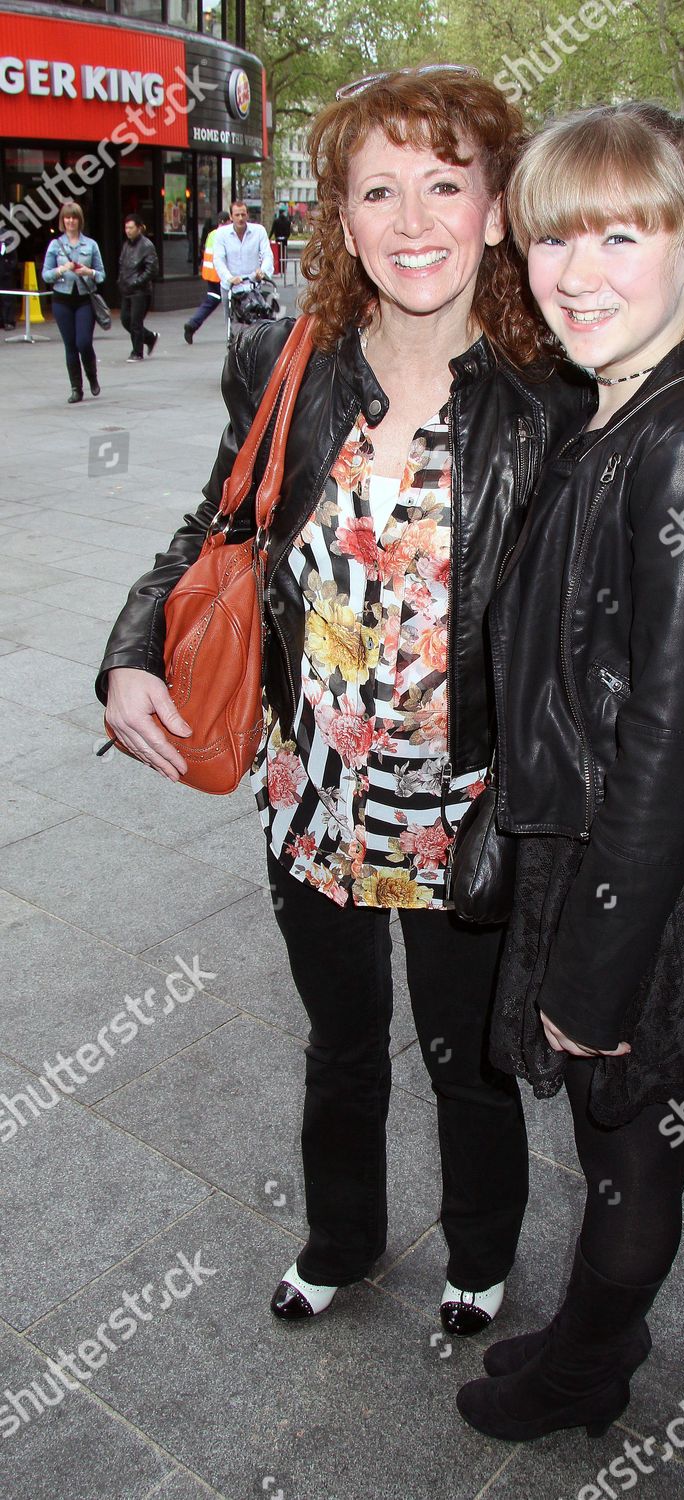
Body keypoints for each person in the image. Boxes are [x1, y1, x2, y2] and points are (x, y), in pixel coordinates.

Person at [96, 68, 590, 1339]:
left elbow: (630, 581)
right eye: (379, 189)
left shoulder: (553, 392)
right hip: (311, 792)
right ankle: (341, 1239)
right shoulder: (283, 356)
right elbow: (217, 523)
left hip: (466, 808)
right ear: (340, 217)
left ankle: (479, 1256)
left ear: (495, 210)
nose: (413, 217)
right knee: (340, 1050)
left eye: (444, 183)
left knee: (466, 1063)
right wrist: (132, 645)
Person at [455, 99, 684, 1446]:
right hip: (609, 850)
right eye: (552, 236)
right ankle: (593, 1334)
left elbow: (661, 740)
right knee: (619, 1144)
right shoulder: (629, 406)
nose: (576, 271)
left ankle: (588, 1370)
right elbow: (660, 647)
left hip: (639, 875)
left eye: (620, 233)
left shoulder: (683, 435)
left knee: (623, 1156)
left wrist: (591, 971)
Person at [41, 201, 105, 403]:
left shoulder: (91, 245)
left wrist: (89, 272)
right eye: (67, 217)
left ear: (79, 220)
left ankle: (92, 377)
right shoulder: (55, 245)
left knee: (83, 342)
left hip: (85, 299)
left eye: (74, 217)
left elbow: (102, 275)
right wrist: (62, 269)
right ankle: (76, 388)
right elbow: (46, 275)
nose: (70, 221)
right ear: (62, 221)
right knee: (70, 345)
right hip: (62, 300)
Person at [213, 200, 274, 305]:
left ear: (247, 215)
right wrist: (229, 278)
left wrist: (263, 272)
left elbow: (267, 255)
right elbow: (218, 259)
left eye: (243, 214)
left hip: (253, 287)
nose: (240, 218)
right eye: (237, 215)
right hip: (230, 288)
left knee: (258, 318)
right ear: (231, 217)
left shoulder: (259, 231)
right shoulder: (221, 234)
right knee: (231, 320)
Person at [184, 211, 231, 343]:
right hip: (221, 275)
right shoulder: (226, 235)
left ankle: (193, 324)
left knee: (212, 300)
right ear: (227, 221)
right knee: (231, 303)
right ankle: (233, 334)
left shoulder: (212, 234)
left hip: (210, 273)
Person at [118, 214, 159, 362]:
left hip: (140, 290)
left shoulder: (146, 245)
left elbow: (152, 269)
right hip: (127, 289)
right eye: (126, 227)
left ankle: (137, 351)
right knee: (125, 319)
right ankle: (149, 337)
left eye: (131, 227)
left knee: (135, 321)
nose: (128, 231)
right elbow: (123, 265)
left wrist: (137, 282)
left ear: (139, 228)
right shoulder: (127, 245)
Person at [0, 236, 18, 329]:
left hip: (4, 274)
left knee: (7, 298)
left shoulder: (6, 236)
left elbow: (13, 257)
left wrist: (8, 269)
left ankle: (8, 321)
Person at [270, 205, 292, 273]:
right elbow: (289, 230)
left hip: (278, 239)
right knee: (284, 252)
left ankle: (279, 267)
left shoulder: (276, 221)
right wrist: (287, 236)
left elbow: (272, 230)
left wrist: (269, 237)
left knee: (278, 253)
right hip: (285, 239)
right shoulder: (287, 221)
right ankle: (284, 267)